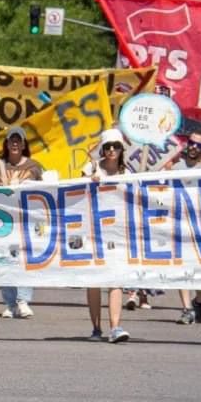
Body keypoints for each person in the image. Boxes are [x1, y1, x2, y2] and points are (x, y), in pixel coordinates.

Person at [0, 126, 43, 319]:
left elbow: (44, 192)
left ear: (24, 144)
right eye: (12, 140)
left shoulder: (34, 166)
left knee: (25, 259)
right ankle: (9, 303)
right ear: (7, 144)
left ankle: (23, 300)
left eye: (19, 140)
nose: (15, 143)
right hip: (4, 220)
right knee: (5, 259)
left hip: (26, 220)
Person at [82, 129, 131, 343]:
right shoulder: (91, 169)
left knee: (116, 279)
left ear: (122, 149)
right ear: (103, 148)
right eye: (108, 146)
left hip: (118, 232)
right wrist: (87, 181)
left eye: (116, 146)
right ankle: (96, 327)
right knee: (94, 281)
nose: (112, 150)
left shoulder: (128, 173)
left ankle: (115, 326)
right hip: (93, 231)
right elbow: (75, 194)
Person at [164, 128, 201, 325]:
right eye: (191, 142)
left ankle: (199, 300)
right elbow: (165, 193)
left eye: (199, 145)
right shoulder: (177, 168)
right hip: (180, 224)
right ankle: (186, 309)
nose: (193, 147)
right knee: (182, 267)